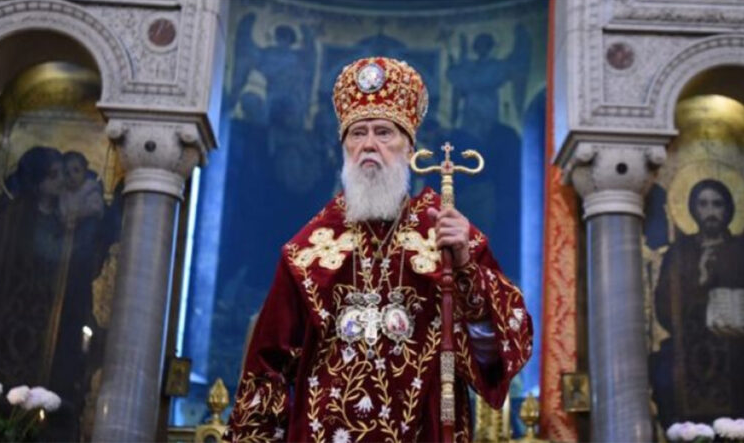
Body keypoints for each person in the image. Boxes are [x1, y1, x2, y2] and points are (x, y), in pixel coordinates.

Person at [225, 57, 533, 443]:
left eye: (384, 132)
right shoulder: (306, 251)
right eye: (357, 133)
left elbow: (496, 356)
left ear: (410, 148)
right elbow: (265, 370)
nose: (369, 145)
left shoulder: (448, 236)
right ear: (344, 148)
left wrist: (468, 269)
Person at [651, 179, 744, 439]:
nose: (710, 212)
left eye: (717, 204)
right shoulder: (680, 253)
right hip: (693, 351)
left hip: (743, 350)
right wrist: (700, 279)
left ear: (728, 209)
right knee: (664, 369)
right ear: (693, 209)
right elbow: (663, 309)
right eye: (703, 204)